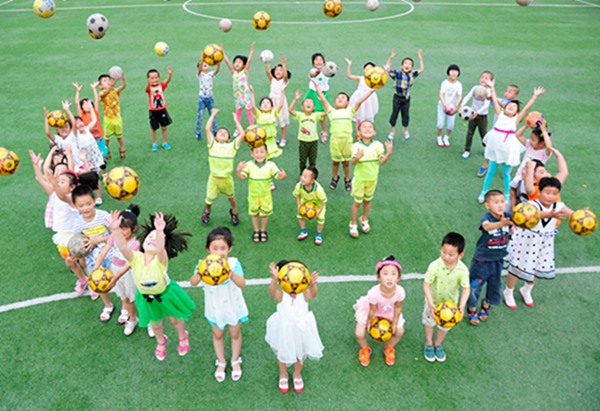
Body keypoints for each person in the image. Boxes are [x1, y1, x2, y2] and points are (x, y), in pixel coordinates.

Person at [109, 210, 195, 361]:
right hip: (147, 298)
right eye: (150, 237)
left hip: (166, 295)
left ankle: (183, 336)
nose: (152, 240)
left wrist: (160, 231)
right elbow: (123, 248)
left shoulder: (161, 259)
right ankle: (161, 341)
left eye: (156, 239)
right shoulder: (136, 258)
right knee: (156, 325)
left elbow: (160, 249)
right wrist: (115, 230)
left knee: (175, 319)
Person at [503, 178, 573, 309]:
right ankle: (508, 291)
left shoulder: (559, 206)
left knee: (538, 267)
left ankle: (527, 290)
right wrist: (550, 214)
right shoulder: (531, 205)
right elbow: (535, 215)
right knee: (517, 267)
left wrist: (582, 215)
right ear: (539, 191)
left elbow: (572, 214)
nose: (551, 196)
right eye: (548, 192)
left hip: (544, 243)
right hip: (526, 241)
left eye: (554, 193)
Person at [190, 227, 247, 382]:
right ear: (208, 249)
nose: (219, 252)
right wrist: (200, 273)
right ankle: (221, 361)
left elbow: (242, 284)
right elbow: (193, 282)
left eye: (223, 248)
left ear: (229, 249)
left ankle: (235, 360)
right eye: (215, 248)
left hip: (233, 306)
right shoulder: (203, 264)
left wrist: (232, 274)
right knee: (218, 334)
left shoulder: (234, 263)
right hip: (215, 308)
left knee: (235, 334)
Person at [478, 79, 546, 203]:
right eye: (509, 105)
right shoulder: (500, 114)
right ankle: (483, 192)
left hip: (507, 148)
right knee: (491, 170)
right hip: (496, 145)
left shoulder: (516, 119)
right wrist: (492, 88)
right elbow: (494, 100)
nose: (510, 107)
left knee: (505, 173)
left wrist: (534, 97)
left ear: (517, 112)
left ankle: (507, 194)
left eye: (514, 107)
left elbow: (526, 109)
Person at [30, 149, 86, 293]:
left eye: (62, 181)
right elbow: (40, 180)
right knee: (70, 263)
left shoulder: (72, 198)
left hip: (76, 235)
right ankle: (82, 280)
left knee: (83, 261)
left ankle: (93, 282)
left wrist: (69, 156)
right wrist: (36, 165)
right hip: (62, 235)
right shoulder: (54, 193)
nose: (58, 182)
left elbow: (62, 195)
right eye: (58, 179)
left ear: (72, 186)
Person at [266, 261, 322, 393]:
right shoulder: (282, 295)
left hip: (301, 329)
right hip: (285, 328)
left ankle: (297, 374)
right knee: (282, 353)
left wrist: (313, 285)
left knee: (300, 354)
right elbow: (272, 293)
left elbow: (313, 294)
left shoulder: (304, 294)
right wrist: (274, 281)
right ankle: (283, 374)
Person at [312, 80, 375, 192]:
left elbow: (359, 101)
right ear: (335, 102)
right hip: (335, 142)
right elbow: (323, 99)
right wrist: (317, 87)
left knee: (346, 162)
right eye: (338, 98)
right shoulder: (331, 111)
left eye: (343, 98)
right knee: (335, 162)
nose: (340, 99)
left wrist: (370, 92)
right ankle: (335, 177)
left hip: (347, 141)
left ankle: (347, 179)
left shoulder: (350, 111)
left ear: (348, 103)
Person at [466, 190, 512, 325]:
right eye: (496, 202)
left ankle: (486, 303)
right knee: (475, 285)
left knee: (495, 285)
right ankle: (472, 307)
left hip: (498, 260)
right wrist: (502, 224)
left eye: (502, 202)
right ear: (487, 205)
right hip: (482, 260)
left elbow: (525, 218)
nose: (500, 205)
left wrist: (550, 214)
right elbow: (486, 227)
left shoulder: (508, 216)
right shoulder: (487, 218)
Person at [423, 232, 470, 363]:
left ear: (460, 255)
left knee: (445, 326)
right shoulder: (434, 266)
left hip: (451, 306)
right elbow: (426, 285)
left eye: (451, 254)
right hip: (433, 301)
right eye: (444, 252)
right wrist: (431, 304)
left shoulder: (463, 270)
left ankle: (437, 343)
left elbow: (466, 288)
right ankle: (428, 342)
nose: (446, 256)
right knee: (429, 322)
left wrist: (461, 307)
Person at [70, 182, 114, 319]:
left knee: (120, 281)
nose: (86, 208)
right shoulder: (78, 223)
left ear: (94, 201)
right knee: (99, 283)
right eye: (81, 206)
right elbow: (76, 243)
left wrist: (97, 240)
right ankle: (108, 306)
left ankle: (126, 308)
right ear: (75, 206)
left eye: (88, 203)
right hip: (93, 260)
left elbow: (116, 234)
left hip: (111, 255)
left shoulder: (103, 216)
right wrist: (74, 255)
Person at [94, 205, 141, 336]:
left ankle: (149, 322)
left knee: (135, 298)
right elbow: (102, 253)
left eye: (124, 228)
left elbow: (130, 263)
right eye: (119, 227)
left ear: (134, 229)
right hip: (115, 270)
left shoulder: (135, 243)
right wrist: (96, 270)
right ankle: (132, 319)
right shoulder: (114, 236)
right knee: (125, 298)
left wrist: (119, 275)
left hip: (129, 273)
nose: (121, 231)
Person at [353, 256, 405, 367]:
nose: (389, 278)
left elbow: (398, 307)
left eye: (393, 274)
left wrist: (395, 322)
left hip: (389, 313)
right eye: (385, 274)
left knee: (399, 331)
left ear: (399, 278)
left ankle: (389, 348)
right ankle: (365, 349)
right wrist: (368, 323)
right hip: (373, 312)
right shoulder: (373, 293)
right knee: (359, 333)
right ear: (378, 277)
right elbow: (372, 309)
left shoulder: (400, 291)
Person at [201, 109, 245, 226]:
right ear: (215, 137)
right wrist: (213, 114)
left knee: (231, 197)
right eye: (220, 132)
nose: (222, 132)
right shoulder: (212, 145)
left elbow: (242, 134)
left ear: (229, 139)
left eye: (225, 133)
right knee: (209, 200)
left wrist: (236, 120)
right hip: (214, 178)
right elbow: (207, 129)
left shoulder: (232, 146)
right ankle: (207, 211)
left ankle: (234, 212)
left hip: (226, 179)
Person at [348, 121, 393, 238]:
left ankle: (364, 219)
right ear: (359, 132)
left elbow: (382, 161)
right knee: (357, 202)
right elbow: (353, 162)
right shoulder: (356, 146)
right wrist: (357, 157)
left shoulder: (378, 145)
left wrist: (389, 153)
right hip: (360, 180)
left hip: (372, 179)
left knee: (367, 201)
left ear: (374, 132)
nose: (367, 129)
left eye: (370, 127)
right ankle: (353, 224)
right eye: (364, 127)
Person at [236, 144, 286, 243]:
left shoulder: (271, 165)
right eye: (256, 152)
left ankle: (263, 230)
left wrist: (282, 175)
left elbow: (278, 176)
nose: (259, 154)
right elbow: (241, 177)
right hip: (253, 195)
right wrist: (238, 170)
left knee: (264, 215)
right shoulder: (249, 165)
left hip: (266, 195)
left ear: (267, 153)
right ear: (252, 154)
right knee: (254, 214)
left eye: (262, 152)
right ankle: (256, 231)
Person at [509, 121, 554, 208]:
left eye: (533, 140)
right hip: (520, 177)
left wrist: (544, 131)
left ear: (542, 143)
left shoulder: (544, 154)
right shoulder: (529, 146)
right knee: (515, 193)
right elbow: (518, 135)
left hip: (532, 182)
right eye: (530, 138)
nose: (530, 140)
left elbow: (549, 147)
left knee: (528, 199)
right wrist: (526, 126)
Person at [384, 48, 424, 140]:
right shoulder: (397, 74)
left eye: (410, 64)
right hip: (397, 97)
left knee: (405, 114)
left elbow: (421, 69)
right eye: (405, 63)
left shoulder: (412, 74)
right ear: (402, 66)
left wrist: (420, 57)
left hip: (406, 98)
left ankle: (406, 130)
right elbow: (387, 68)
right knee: (394, 114)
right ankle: (392, 131)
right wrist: (390, 58)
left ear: (412, 67)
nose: (407, 65)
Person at [288, 90, 325, 174]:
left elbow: (326, 112)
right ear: (302, 107)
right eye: (306, 102)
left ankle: (312, 176)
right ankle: (303, 175)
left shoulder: (316, 115)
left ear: (314, 107)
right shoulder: (300, 115)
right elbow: (290, 110)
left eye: (311, 102)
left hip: (313, 142)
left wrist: (322, 100)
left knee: (312, 161)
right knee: (302, 161)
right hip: (303, 142)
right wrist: (295, 99)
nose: (308, 103)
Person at [460, 70, 493, 160]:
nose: (483, 79)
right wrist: (462, 105)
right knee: (470, 133)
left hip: (482, 116)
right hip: (472, 114)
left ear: (491, 81)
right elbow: (468, 96)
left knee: (483, 133)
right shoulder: (475, 88)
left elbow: (486, 105)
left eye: (486, 78)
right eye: (482, 77)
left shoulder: (489, 92)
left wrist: (477, 112)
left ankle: (486, 148)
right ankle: (467, 150)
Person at [223, 42, 256, 127]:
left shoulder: (245, 72)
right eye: (235, 62)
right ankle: (238, 128)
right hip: (237, 95)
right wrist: (223, 52)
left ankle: (252, 127)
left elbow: (249, 61)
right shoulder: (233, 72)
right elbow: (227, 62)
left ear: (243, 65)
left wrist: (252, 50)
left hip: (246, 94)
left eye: (239, 62)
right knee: (238, 111)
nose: (237, 63)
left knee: (249, 111)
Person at [293, 167, 327, 245]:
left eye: (305, 177)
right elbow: (297, 195)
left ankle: (318, 234)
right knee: (299, 216)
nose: (302, 178)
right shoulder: (299, 185)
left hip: (318, 204)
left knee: (321, 219)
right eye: (302, 175)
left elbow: (323, 201)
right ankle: (303, 231)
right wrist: (299, 204)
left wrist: (319, 211)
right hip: (305, 202)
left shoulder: (318, 189)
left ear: (312, 180)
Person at [250, 85, 284, 161]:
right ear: (260, 107)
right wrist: (252, 93)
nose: (265, 104)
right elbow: (252, 106)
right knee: (260, 160)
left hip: (271, 140)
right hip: (261, 141)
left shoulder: (274, 113)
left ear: (271, 107)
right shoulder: (258, 114)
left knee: (269, 161)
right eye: (263, 103)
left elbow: (281, 104)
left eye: (268, 103)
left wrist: (282, 92)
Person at [97, 72, 126, 160]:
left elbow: (123, 86)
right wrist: (112, 84)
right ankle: (107, 150)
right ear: (100, 86)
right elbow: (104, 94)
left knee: (119, 136)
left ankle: (122, 148)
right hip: (108, 119)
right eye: (105, 81)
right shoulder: (101, 93)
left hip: (117, 118)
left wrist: (123, 79)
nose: (108, 82)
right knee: (107, 138)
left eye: (109, 80)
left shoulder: (115, 91)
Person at [265, 56, 291, 147]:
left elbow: (285, 75)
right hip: (272, 102)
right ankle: (275, 137)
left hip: (281, 102)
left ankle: (283, 138)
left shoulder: (284, 80)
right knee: (273, 121)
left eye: (280, 70)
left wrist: (283, 64)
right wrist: (266, 62)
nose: (278, 72)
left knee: (282, 121)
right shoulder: (272, 80)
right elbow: (268, 72)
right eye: (276, 70)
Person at [345, 58, 379, 127]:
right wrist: (349, 65)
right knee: (359, 114)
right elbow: (349, 75)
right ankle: (359, 131)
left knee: (368, 114)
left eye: (370, 68)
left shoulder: (374, 80)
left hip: (369, 98)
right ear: (364, 70)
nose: (368, 69)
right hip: (359, 97)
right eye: (367, 68)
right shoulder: (361, 78)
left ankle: (368, 128)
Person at [146, 67, 174, 151]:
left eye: (156, 78)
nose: (154, 80)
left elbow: (167, 81)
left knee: (164, 127)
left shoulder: (161, 86)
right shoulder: (149, 88)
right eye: (152, 78)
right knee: (154, 128)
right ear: (148, 79)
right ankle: (154, 143)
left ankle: (165, 142)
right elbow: (146, 89)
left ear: (158, 78)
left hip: (162, 110)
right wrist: (148, 83)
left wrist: (169, 74)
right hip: (153, 111)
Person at [304, 52, 330, 142]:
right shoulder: (312, 70)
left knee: (322, 115)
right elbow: (312, 74)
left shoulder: (327, 71)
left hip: (323, 94)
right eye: (316, 60)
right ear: (313, 63)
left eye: (320, 60)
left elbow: (331, 72)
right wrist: (317, 72)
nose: (318, 62)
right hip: (312, 93)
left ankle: (324, 132)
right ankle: (310, 131)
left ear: (323, 62)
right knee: (310, 113)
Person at [436, 64, 462, 147]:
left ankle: (446, 138)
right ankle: (439, 137)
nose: (453, 73)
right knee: (440, 124)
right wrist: (444, 105)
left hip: (452, 108)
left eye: (456, 71)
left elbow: (459, 96)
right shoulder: (445, 83)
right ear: (448, 72)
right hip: (442, 106)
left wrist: (456, 105)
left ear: (458, 73)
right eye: (452, 71)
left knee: (450, 125)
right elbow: (441, 94)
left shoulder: (459, 84)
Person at [195, 58, 220, 140]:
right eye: (202, 64)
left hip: (210, 99)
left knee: (212, 114)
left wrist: (218, 63)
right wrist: (201, 60)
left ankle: (215, 130)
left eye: (206, 63)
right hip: (202, 99)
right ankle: (198, 131)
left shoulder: (210, 74)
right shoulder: (200, 74)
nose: (204, 64)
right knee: (200, 115)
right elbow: (199, 70)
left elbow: (216, 71)